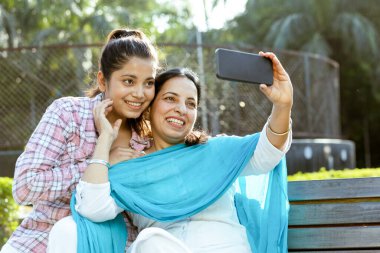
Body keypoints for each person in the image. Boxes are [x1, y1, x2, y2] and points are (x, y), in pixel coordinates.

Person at [49, 51, 292, 253]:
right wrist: (105, 141)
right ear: (150, 107)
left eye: (190, 104)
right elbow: (92, 207)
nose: (180, 109)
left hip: (225, 247)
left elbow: (268, 153)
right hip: (159, 248)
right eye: (170, 99)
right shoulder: (132, 169)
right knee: (151, 242)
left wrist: (283, 105)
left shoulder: (217, 152)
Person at [0, 28, 159, 253]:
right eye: (129, 81)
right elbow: (24, 186)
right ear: (103, 81)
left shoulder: (146, 140)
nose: (140, 93)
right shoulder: (68, 113)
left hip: (110, 243)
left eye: (149, 83)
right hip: (43, 237)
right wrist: (101, 163)